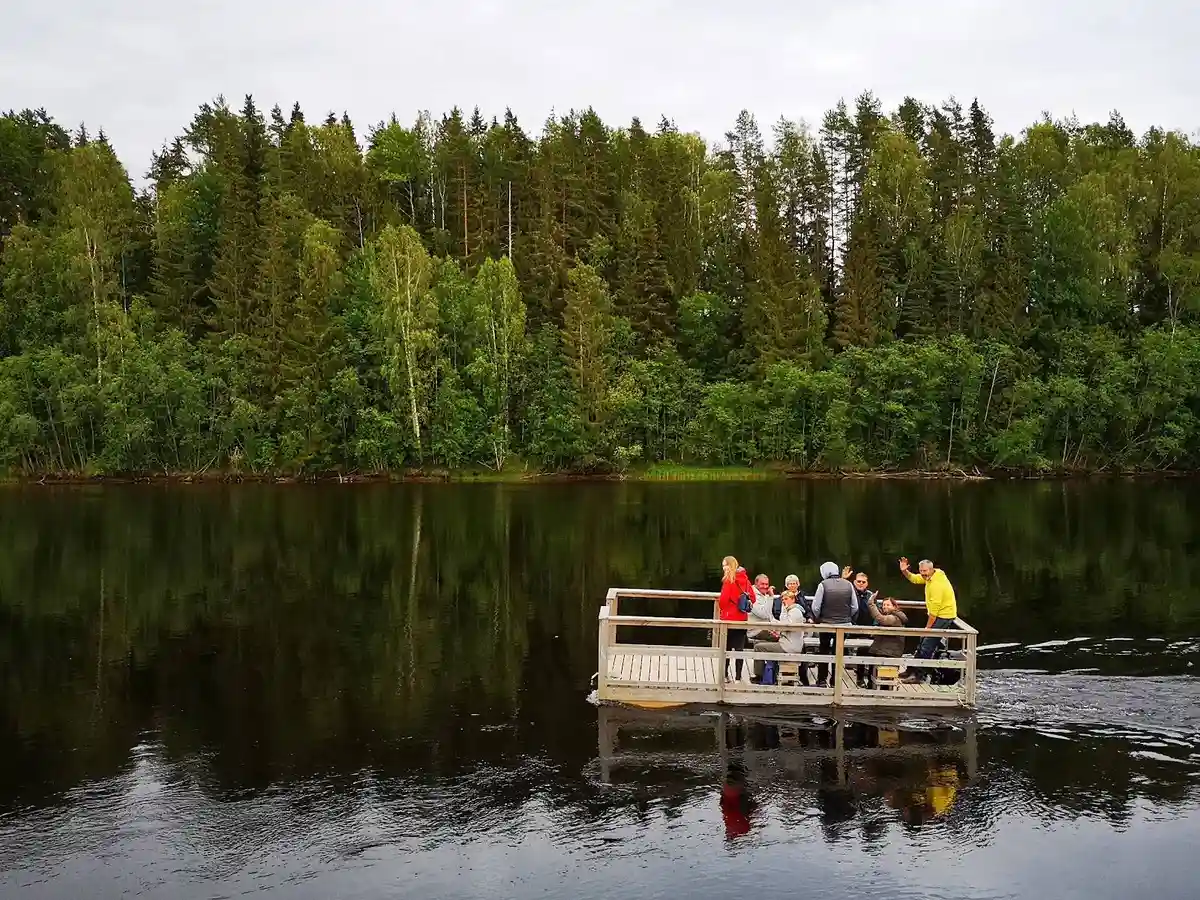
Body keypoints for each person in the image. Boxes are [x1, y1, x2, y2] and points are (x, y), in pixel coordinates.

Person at [898, 556, 958, 684]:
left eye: (925, 571)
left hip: (943, 616)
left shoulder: (937, 584)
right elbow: (914, 579)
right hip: (937, 614)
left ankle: (920, 676)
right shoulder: (931, 577)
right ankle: (911, 670)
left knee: (927, 645)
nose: (923, 574)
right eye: (921, 571)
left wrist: (927, 629)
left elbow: (934, 613)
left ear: (931, 570)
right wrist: (904, 571)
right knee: (922, 642)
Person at [811, 561, 858, 688]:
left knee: (824, 650)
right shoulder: (848, 584)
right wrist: (846, 617)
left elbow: (815, 607)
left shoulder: (823, 585)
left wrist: (819, 617)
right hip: (844, 625)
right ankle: (835, 680)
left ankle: (821, 680)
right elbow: (855, 606)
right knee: (838, 651)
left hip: (826, 623)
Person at [750, 590, 808, 682]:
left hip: (789, 647)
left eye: (786, 599)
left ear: (793, 599)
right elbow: (785, 627)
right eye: (782, 599)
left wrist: (782, 614)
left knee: (758, 647)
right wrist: (777, 631)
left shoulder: (795, 611)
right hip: (788, 643)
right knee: (763, 643)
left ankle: (759, 676)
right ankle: (769, 674)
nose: (784, 601)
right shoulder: (792, 610)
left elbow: (785, 626)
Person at [860, 594, 909, 688]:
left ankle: (870, 684)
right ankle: (868, 682)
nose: (885, 606)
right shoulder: (893, 616)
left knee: (867, 654)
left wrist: (871, 604)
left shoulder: (893, 618)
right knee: (863, 651)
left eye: (888, 605)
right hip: (885, 648)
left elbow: (880, 619)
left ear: (894, 607)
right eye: (883, 605)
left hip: (889, 651)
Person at [718, 556, 753, 682]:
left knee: (725, 648)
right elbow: (753, 598)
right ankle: (738, 677)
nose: (723, 568)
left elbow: (723, 601)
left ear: (730, 565)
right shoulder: (746, 580)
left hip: (728, 619)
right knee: (739, 649)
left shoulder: (729, 580)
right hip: (742, 618)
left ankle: (725, 675)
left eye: (724, 565)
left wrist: (724, 608)